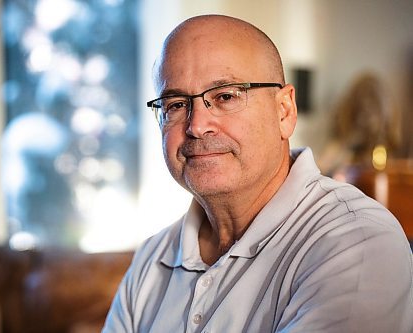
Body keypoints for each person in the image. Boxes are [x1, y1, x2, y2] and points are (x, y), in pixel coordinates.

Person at [102, 14, 413, 333]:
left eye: (225, 96)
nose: (196, 126)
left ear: (285, 111)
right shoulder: (152, 258)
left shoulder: (355, 240)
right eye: (176, 105)